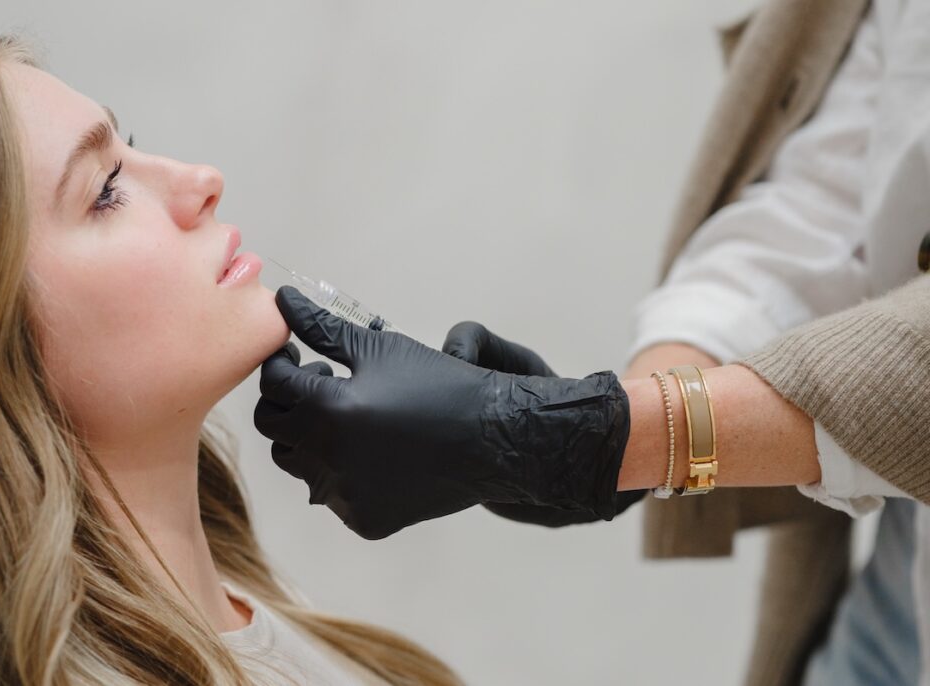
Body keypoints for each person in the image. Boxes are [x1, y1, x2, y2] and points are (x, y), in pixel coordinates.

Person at [254, 1, 930, 685]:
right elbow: (828, 204)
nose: (205, 182)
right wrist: (608, 426)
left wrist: (606, 437)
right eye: (132, 176)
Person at [0, 35, 461, 685]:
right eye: (107, 189)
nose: (203, 181)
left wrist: (576, 438)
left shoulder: (255, 616)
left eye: (129, 145)